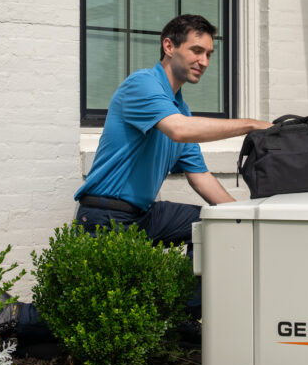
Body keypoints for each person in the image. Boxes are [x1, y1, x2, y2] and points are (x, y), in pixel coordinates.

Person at [74, 14, 272, 246]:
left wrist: (246, 219)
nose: (204, 61)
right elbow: (178, 130)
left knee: (216, 227)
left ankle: (196, 284)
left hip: (142, 215)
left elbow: (200, 178)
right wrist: (251, 125)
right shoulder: (141, 84)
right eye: (196, 51)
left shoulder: (180, 109)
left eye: (209, 54)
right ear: (169, 46)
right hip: (106, 216)